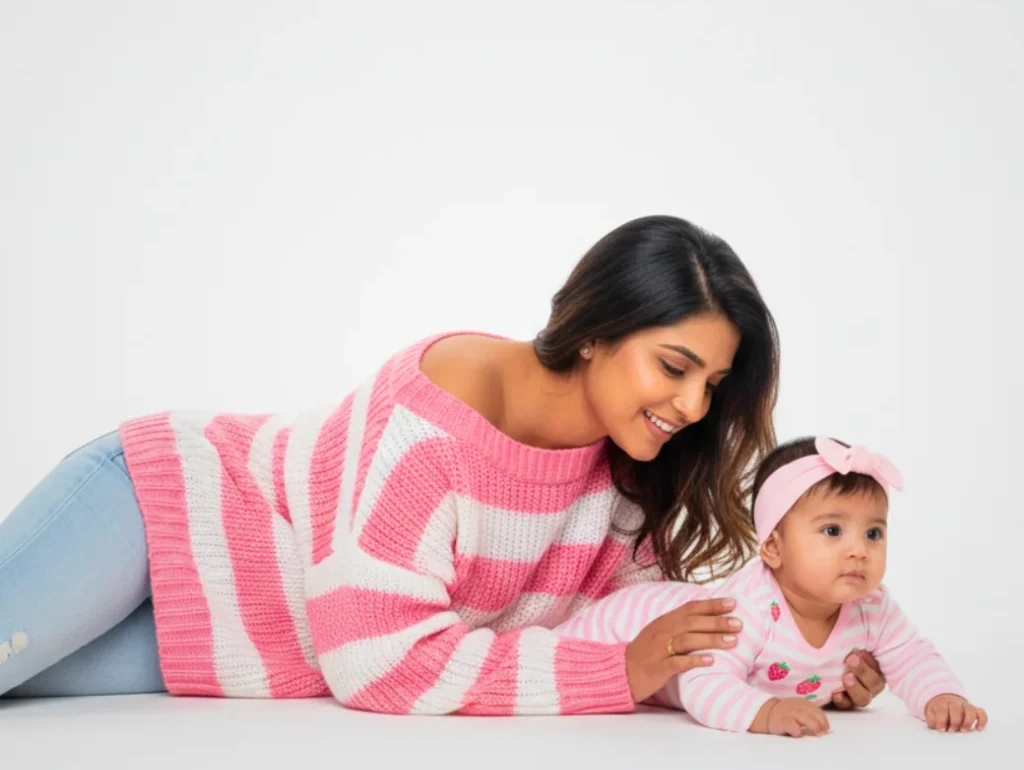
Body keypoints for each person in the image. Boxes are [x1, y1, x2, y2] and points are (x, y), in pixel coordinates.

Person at [0, 215, 886, 711]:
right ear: (596, 333)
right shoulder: (439, 418)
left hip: (235, 633)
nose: (693, 408)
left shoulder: (632, 471)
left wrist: (796, 674)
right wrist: (617, 675)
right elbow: (378, 663)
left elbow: (631, 637)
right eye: (674, 367)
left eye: (713, 385)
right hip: (162, 510)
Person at [555, 435, 987, 735]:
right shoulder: (747, 608)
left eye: (873, 533)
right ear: (773, 548)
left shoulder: (872, 605)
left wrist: (941, 695)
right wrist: (766, 711)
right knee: (555, 659)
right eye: (833, 531)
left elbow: (911, 655)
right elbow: (702, 684)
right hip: (622, 624)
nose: (859, 550)